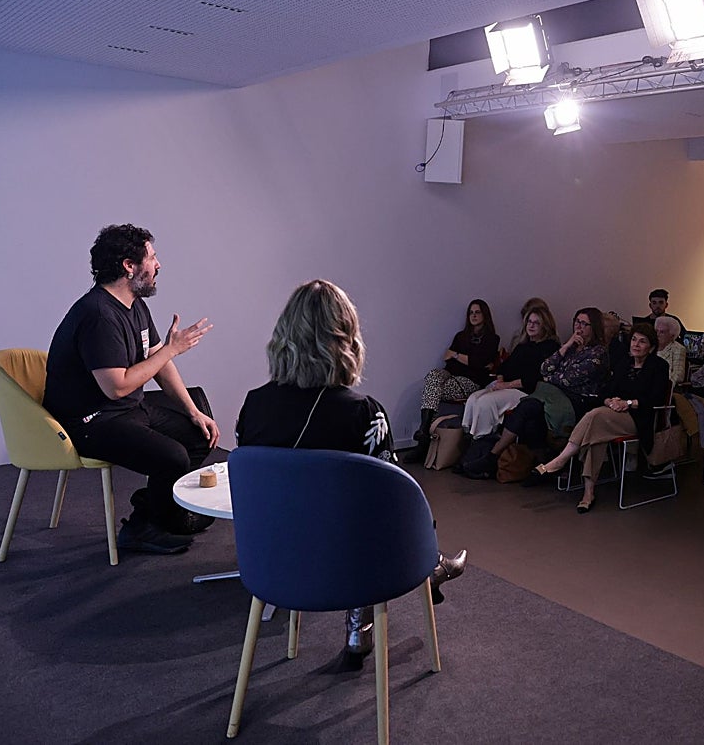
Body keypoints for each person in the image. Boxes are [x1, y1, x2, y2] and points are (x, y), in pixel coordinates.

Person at [236, 279, 467, 665]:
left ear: (283, 335)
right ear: (346, 339)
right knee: (396, 512)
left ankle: (413, 581)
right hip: (348, 568)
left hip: (272, 561)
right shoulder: (364, 412)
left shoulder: (253, 405)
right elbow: (393, 507)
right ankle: (405, 586)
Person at [43, 224, 218, 555]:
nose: (158, 265)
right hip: (91, 421)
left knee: (198, 432)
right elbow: (117, 387)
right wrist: (172, 348)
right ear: (129, 265)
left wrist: (193, 412)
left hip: (126, 410)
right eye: (152, 257)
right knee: (172, 456)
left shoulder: (134, 304)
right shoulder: (97, 314)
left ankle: (156, 512)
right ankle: (147, 527)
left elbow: (158, 362)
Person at [524, 325, 668, 512]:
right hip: (610, 416)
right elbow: (604, 392)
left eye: (642, 341)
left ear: (651, 347)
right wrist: (609, 401)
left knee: (595, 416)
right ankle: (588, 493)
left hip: (639, 420)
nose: (636, 345)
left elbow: (655, 399)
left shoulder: (659, 366)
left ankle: (561, 460)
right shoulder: (623, 363)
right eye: (634, 340)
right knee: (596, 433)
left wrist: (628, 403)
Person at [484, 308, 609, 464]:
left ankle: (493, 455)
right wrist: (566, 346)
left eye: (585, 324)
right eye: (577, 322)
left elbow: (568, 379)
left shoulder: (598, 353)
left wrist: (548, 377)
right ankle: (540, 467)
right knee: (530, 418)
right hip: (554, 395)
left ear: (594, 327)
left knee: (528, 407)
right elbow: (544, 368)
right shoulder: (571, 347)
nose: (579, 327)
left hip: (576, 401)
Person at [409, 300, 500, 459]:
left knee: (432, 390)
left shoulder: (492, 339)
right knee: (432, 376)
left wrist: (458, 356)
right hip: (450, 373)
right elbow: (448, 358)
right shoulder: (461, 336)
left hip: (471, 380)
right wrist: (467, 360)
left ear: (485, 314)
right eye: (471, 312)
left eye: (477, 312)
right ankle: (424, 431)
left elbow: (477, 363)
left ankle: (423, 439)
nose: (473, 316)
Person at [461, 304, 560, 438]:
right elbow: (503, 367)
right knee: (474, 398)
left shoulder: (550, 347)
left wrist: (505, 385)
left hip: (524, 391)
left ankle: (482, 438)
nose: (531, 326)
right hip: (505, 385)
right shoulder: (522, 345)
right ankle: (469, 435)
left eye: (536, 323)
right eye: (529, 322)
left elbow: (532, 379)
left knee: (486, 402)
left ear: (545, 326)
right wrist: (500, 381)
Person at [655, 315, 688, 384]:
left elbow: (678, 376)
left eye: (662, 332)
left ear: (672, 335)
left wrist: (660, 382)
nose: (657, 334)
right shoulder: (651, 346)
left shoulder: (678, 349)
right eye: (656, 331)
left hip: (664, 387)